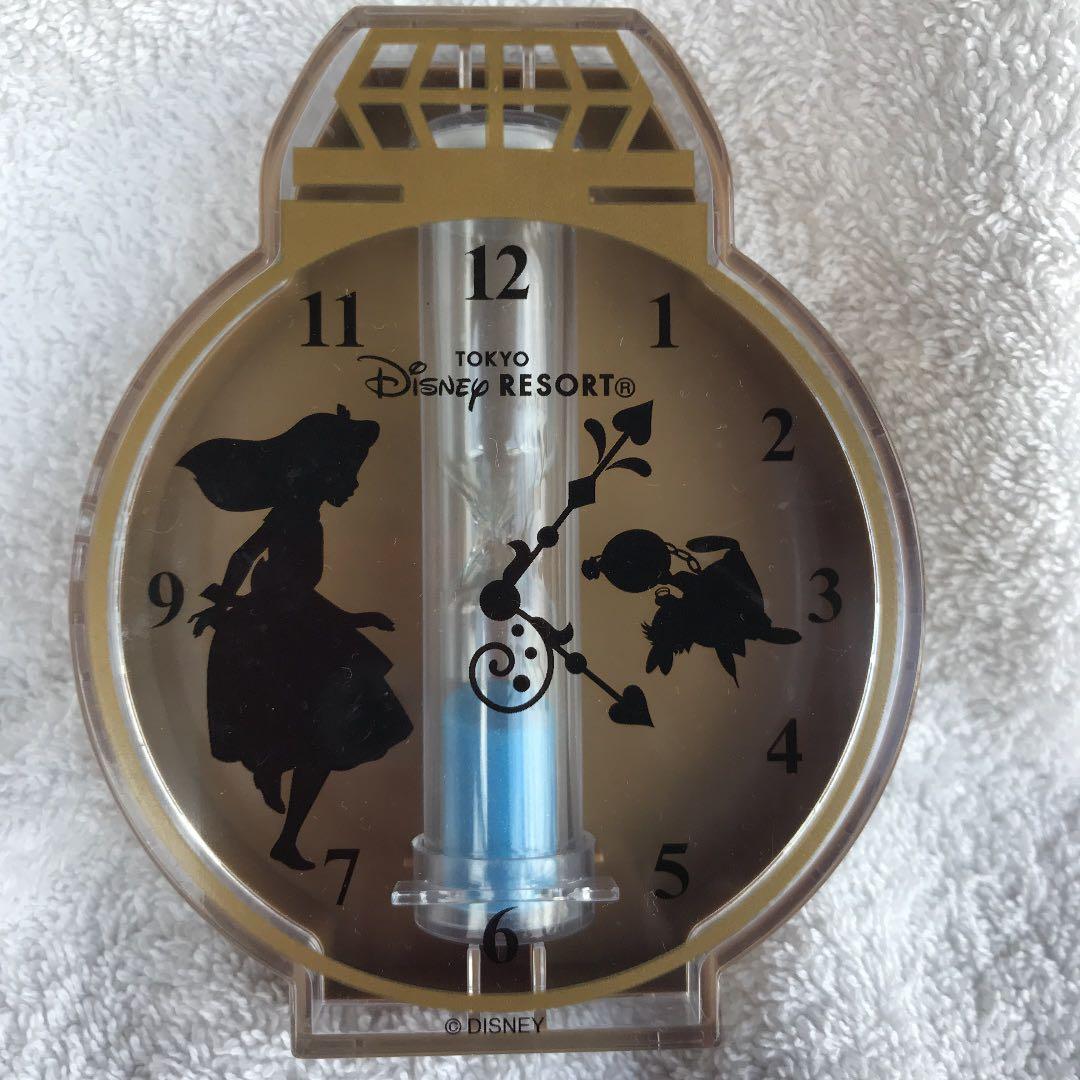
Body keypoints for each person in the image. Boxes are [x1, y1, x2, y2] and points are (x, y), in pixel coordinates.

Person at [177, 405, 411, 870]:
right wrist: (226, 599)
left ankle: (284, 822)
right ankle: (274, 767)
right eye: (348, 470)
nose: (354, 483)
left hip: (299, 626)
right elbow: (253, 562)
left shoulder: (303, 514)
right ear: (324, 469)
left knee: (329, 740)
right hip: (288, 638)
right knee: (332, 733)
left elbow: (286, 584)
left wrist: (355, 618)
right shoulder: (296, 514)